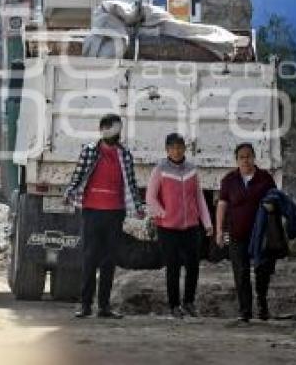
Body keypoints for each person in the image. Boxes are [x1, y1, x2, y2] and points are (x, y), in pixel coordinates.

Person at [64, 114, 144, 319]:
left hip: (115, 213)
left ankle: (104, 307)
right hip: (92, 212)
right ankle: (85, 305)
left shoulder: (125, 154)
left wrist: (137, 205)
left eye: (117, 129)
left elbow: (131, 183)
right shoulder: (90, 151)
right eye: (111, 128)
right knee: (90, 258)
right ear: (102, 129)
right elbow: (78, 176)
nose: (115, 133)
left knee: (109, 260)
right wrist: (70, 192)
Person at [146, 133, 213, 319]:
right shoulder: (160, 169)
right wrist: (163, 213)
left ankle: (189, 302)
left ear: (185, 148)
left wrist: (207, 222)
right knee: (173, 267)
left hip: (190, 227)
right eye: (172, 147)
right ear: (167, 150)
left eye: (179, 147)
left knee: (193, 266)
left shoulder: (191, 169)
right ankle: (174, 305)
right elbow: (150, 197)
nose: (176, 150)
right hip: (168, 228)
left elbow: (199, 197)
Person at [216, 143, 277, 322]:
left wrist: (271, 206)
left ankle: (262, 303)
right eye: (242, 157)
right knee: (241, 272)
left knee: (262, 270)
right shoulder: (229, 180)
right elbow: (222, 206)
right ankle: (245, 311)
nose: (246, 160)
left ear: (254, 157)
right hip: (237, 234)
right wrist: (219, 230)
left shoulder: (265, 178)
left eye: (249, 156)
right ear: (237, 160)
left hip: (261, 235)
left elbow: (276, 200)